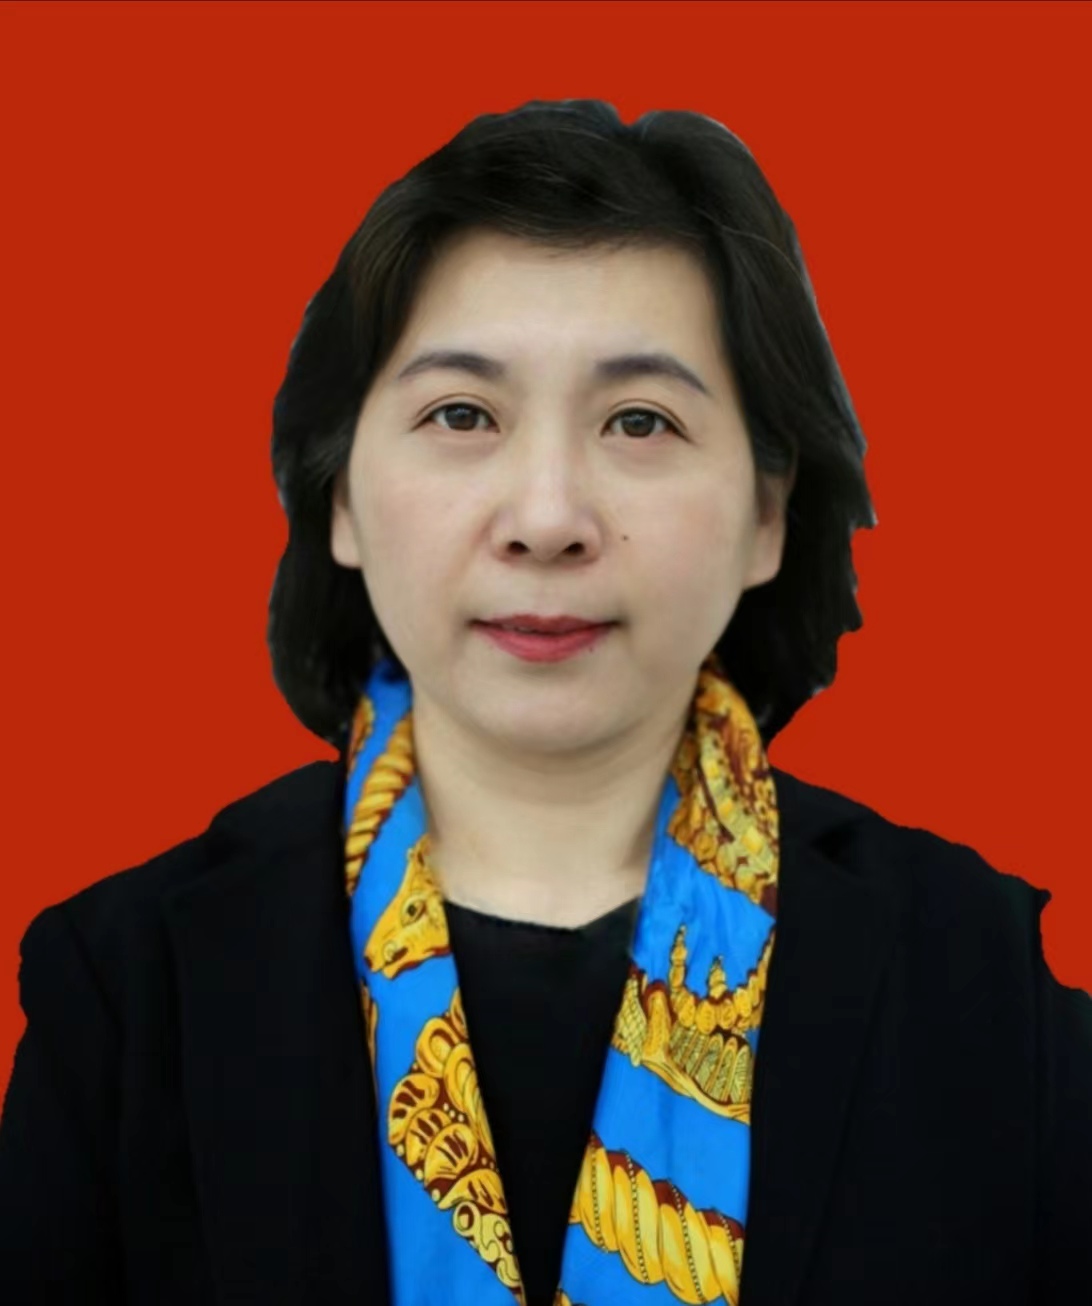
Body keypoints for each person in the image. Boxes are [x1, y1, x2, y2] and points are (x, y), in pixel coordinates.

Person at [0, 97, 1088, 1306]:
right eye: (462, 415)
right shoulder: (126, 987)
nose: (548, 518)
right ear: (341, 497)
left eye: (641, 421)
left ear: (768, 515)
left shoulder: (983, 987)